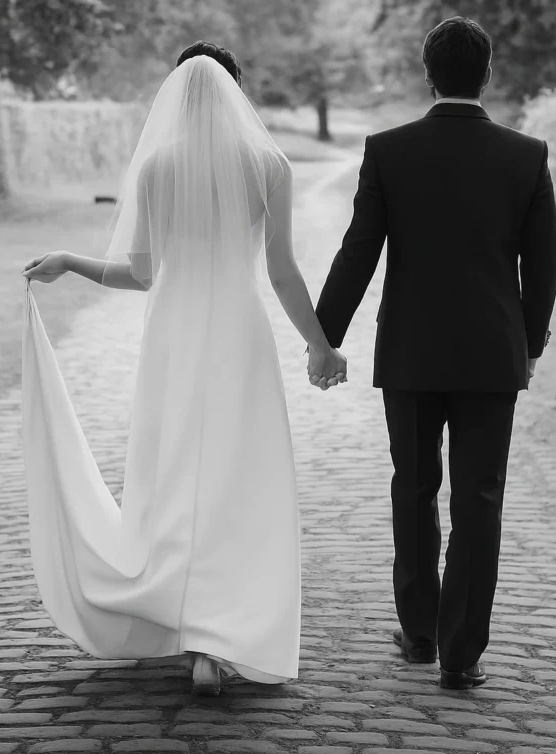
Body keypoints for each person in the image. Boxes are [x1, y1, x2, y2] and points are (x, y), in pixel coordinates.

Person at [21, 41, 347, 695]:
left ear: (179, 95)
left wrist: (72, 260)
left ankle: (181, 622)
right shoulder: (267, 164)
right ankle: (218, 644)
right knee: (236, 474)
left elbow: (141, 274)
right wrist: (319, 344)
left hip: (173, 337)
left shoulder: (159, 167)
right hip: (238, 332)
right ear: (236, 93)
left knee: (173, 473)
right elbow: (281, 272)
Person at [313, 16, 556, 689]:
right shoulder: (525, 154)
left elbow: (357, 249)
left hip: (411, 356)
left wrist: (323, 335)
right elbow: (542, 269)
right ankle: (460, 653)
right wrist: (529, 347)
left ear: (428, 73)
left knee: (413, 488)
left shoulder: (388, 150)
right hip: (489, 357)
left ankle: (419, 633)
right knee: (478, 497)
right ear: (486, 73)